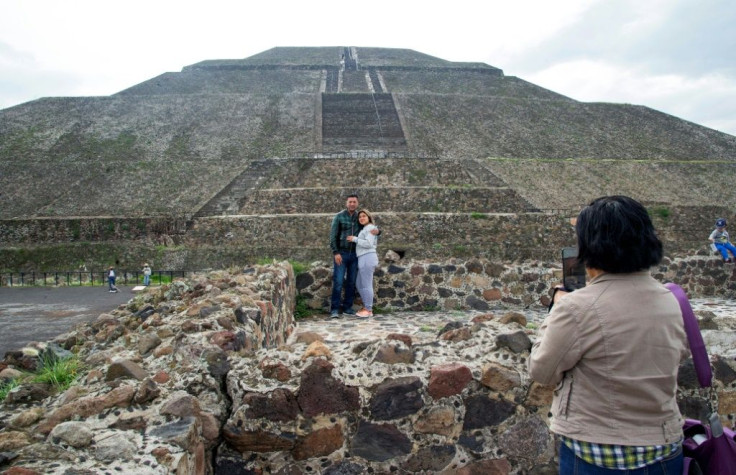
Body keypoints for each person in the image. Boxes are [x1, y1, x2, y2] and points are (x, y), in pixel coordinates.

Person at [529, 196, 688, 474]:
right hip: (663, 445)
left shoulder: (577, 307)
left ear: (589, 246)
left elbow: (542, 371)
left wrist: (558, 307)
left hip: (595, 451)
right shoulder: (671, 299)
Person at [329, 194, 379, 318]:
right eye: (350, 202)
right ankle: (334, 309)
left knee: (351, 282)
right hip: (342, 254)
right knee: (339, 281)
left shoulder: (359, 217)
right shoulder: (339, 216)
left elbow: (370, 230)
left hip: (356, 255)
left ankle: (347, 307)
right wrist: (336, 252)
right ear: (347, 203)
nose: (352, 204)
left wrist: (379, 231)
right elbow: (333, 235)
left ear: (357, 203)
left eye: (354, 202)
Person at [348, 209, 378, 317]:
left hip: (367, 257)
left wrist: (354, 239)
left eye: (364, 216)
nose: (361, 218)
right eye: (360, 217)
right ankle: (366, 306)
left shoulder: (370, 228)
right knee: (359, 283)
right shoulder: (366, 228)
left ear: (368, 217)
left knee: (366, 284)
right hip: (363, 257)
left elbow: (369, 243)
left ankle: (368, 309)